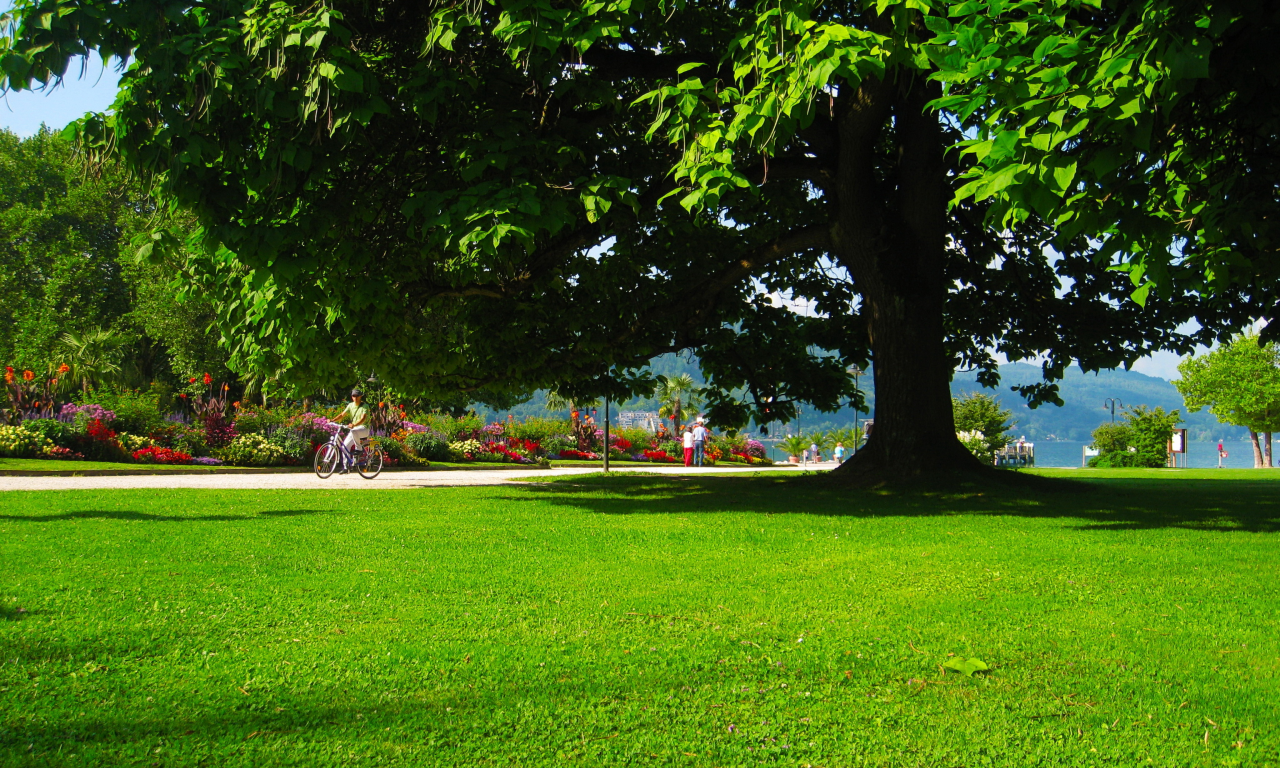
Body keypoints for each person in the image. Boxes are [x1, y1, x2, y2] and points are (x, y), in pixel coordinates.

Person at [335, 389, 371, 472]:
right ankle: (346, 467)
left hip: (363, 429)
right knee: (344, 446)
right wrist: (332, 420)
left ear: (360, 396)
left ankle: (359, 449)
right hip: (354, 430)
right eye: (353, 396)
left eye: (357, 396)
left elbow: (363, 418)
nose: (355, 398)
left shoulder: (364, 406)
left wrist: (354, 425)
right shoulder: (350, 405)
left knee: (353, 430)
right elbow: (342, 415)